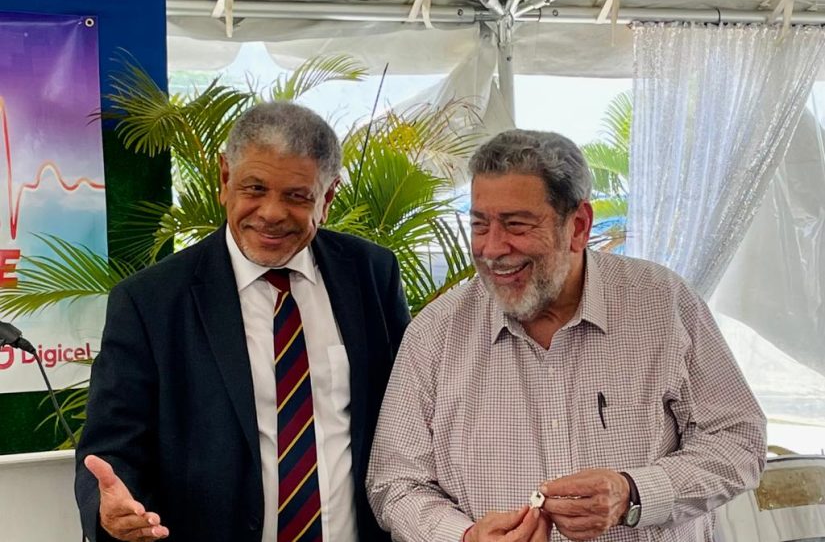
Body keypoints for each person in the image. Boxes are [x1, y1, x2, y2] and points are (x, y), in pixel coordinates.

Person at [366, 129, 767, 542]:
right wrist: (464, 537)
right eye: (480, 225)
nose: (492, 248)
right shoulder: (435, 334)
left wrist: (633, 493)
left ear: (578, 226)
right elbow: (394, 484)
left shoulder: (662, 304)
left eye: (516, 224)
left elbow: (739, 440)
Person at [75, 101, 410, 542]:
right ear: (224, 178)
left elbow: (407, 419)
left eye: (296, 196)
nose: (271, 213)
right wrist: (110, 511)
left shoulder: (371, 275)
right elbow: (113, 447)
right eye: (254, 188)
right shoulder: (151, 301)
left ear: (327, 198)